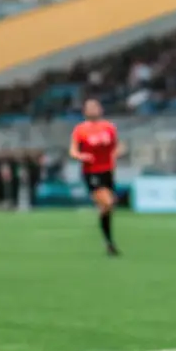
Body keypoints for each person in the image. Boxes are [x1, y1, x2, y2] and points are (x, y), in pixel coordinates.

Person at [69, 98, 122, 256]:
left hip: (108, 171)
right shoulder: (80, 130)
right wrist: (81, 156)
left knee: (108, 208)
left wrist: (116, 154)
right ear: (84, 111)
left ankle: (108, 241)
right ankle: (108, 239)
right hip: (91, 171)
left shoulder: (109, 127)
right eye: (89, 107)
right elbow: (73, 151)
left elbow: (117, 146)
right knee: (108, 202)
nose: (93, 109)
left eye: (95, 107)